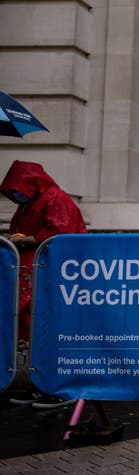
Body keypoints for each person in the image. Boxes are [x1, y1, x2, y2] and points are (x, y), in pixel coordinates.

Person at [0, 160, 87, 408]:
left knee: (51, 331)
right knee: (38, 332)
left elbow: (60, 234)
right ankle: (42, 385)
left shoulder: (54, 198)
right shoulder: (34, 201)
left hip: (52, 278)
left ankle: (56, 388)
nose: (15, 195)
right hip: (37, 277)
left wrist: (28, 239)